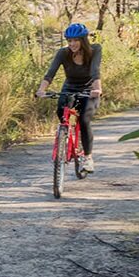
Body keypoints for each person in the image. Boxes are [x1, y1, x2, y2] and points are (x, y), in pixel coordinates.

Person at [36, 23, 103, 172]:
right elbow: (50, 73)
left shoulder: (95, 50)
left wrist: (97, 88)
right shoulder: (63, 53)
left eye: (76, 40)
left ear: (83, 40)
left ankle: (88, 158)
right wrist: (41, 90)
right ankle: (65, 137)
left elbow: (95, 70)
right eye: (69, 40)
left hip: (89, 89)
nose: (72, 44)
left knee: (84, 119)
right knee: (61, 112)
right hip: (70, 87)